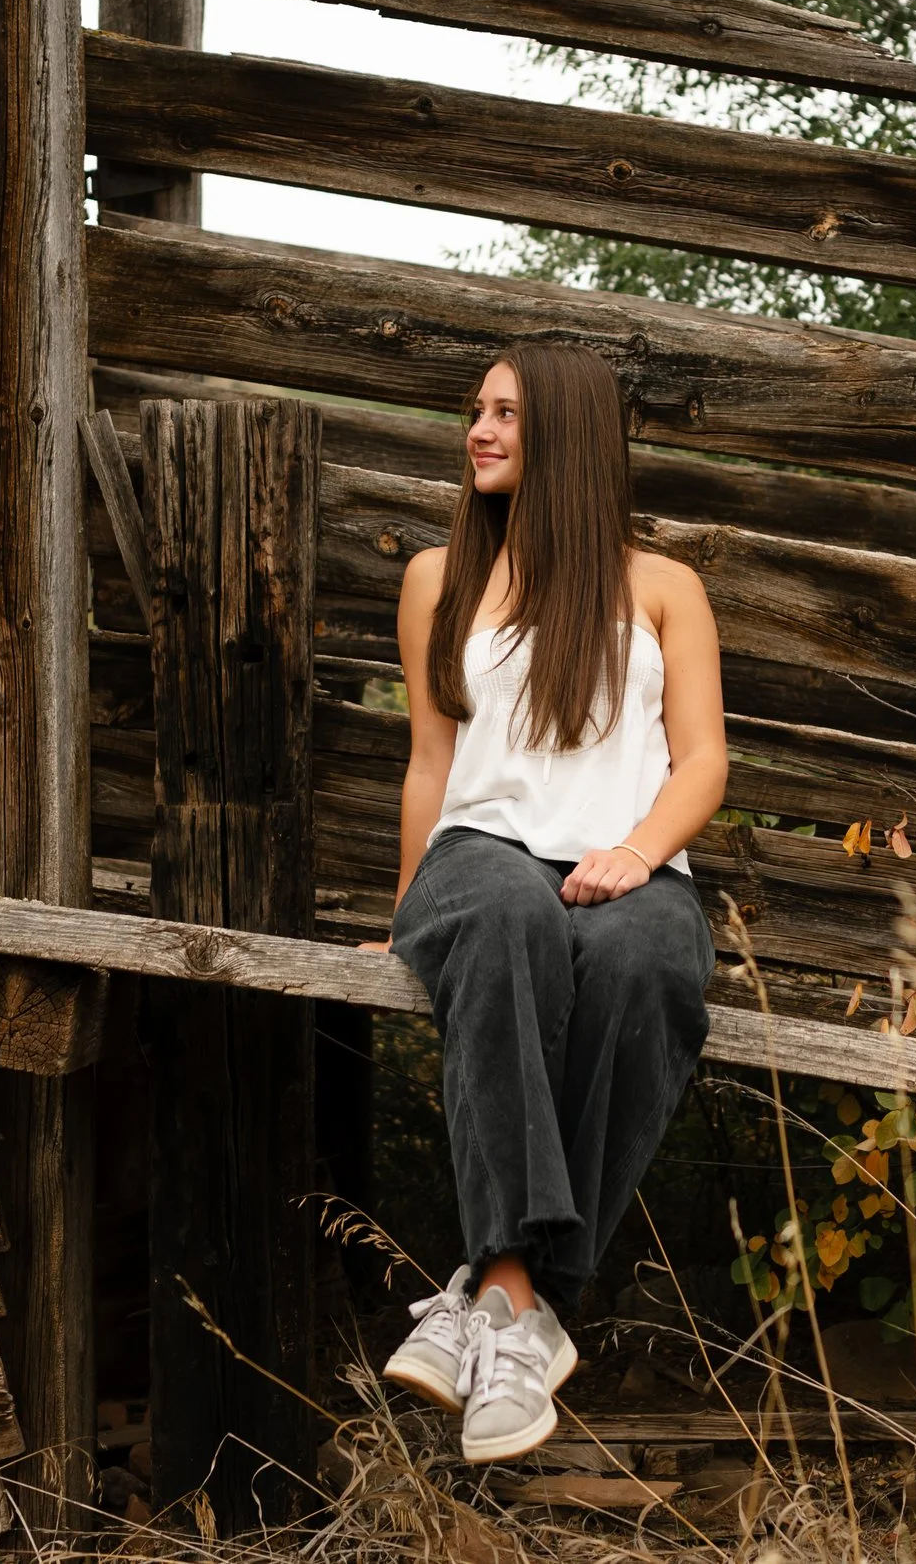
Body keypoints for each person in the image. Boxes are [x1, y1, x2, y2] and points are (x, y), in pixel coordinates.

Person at [360, 342, 727, 1463]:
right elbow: (432, 762)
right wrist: (408, 901)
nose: (478, 429)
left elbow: (703, 762)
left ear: (565, 433)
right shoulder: (440, 577)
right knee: (511, 919)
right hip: (481, 856)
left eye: (507, 414)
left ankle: (491, 1295)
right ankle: (521, 1292)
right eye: (475, 410)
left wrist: (637, 848)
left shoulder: (665, 588)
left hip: (626, 862)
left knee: (650, 963)